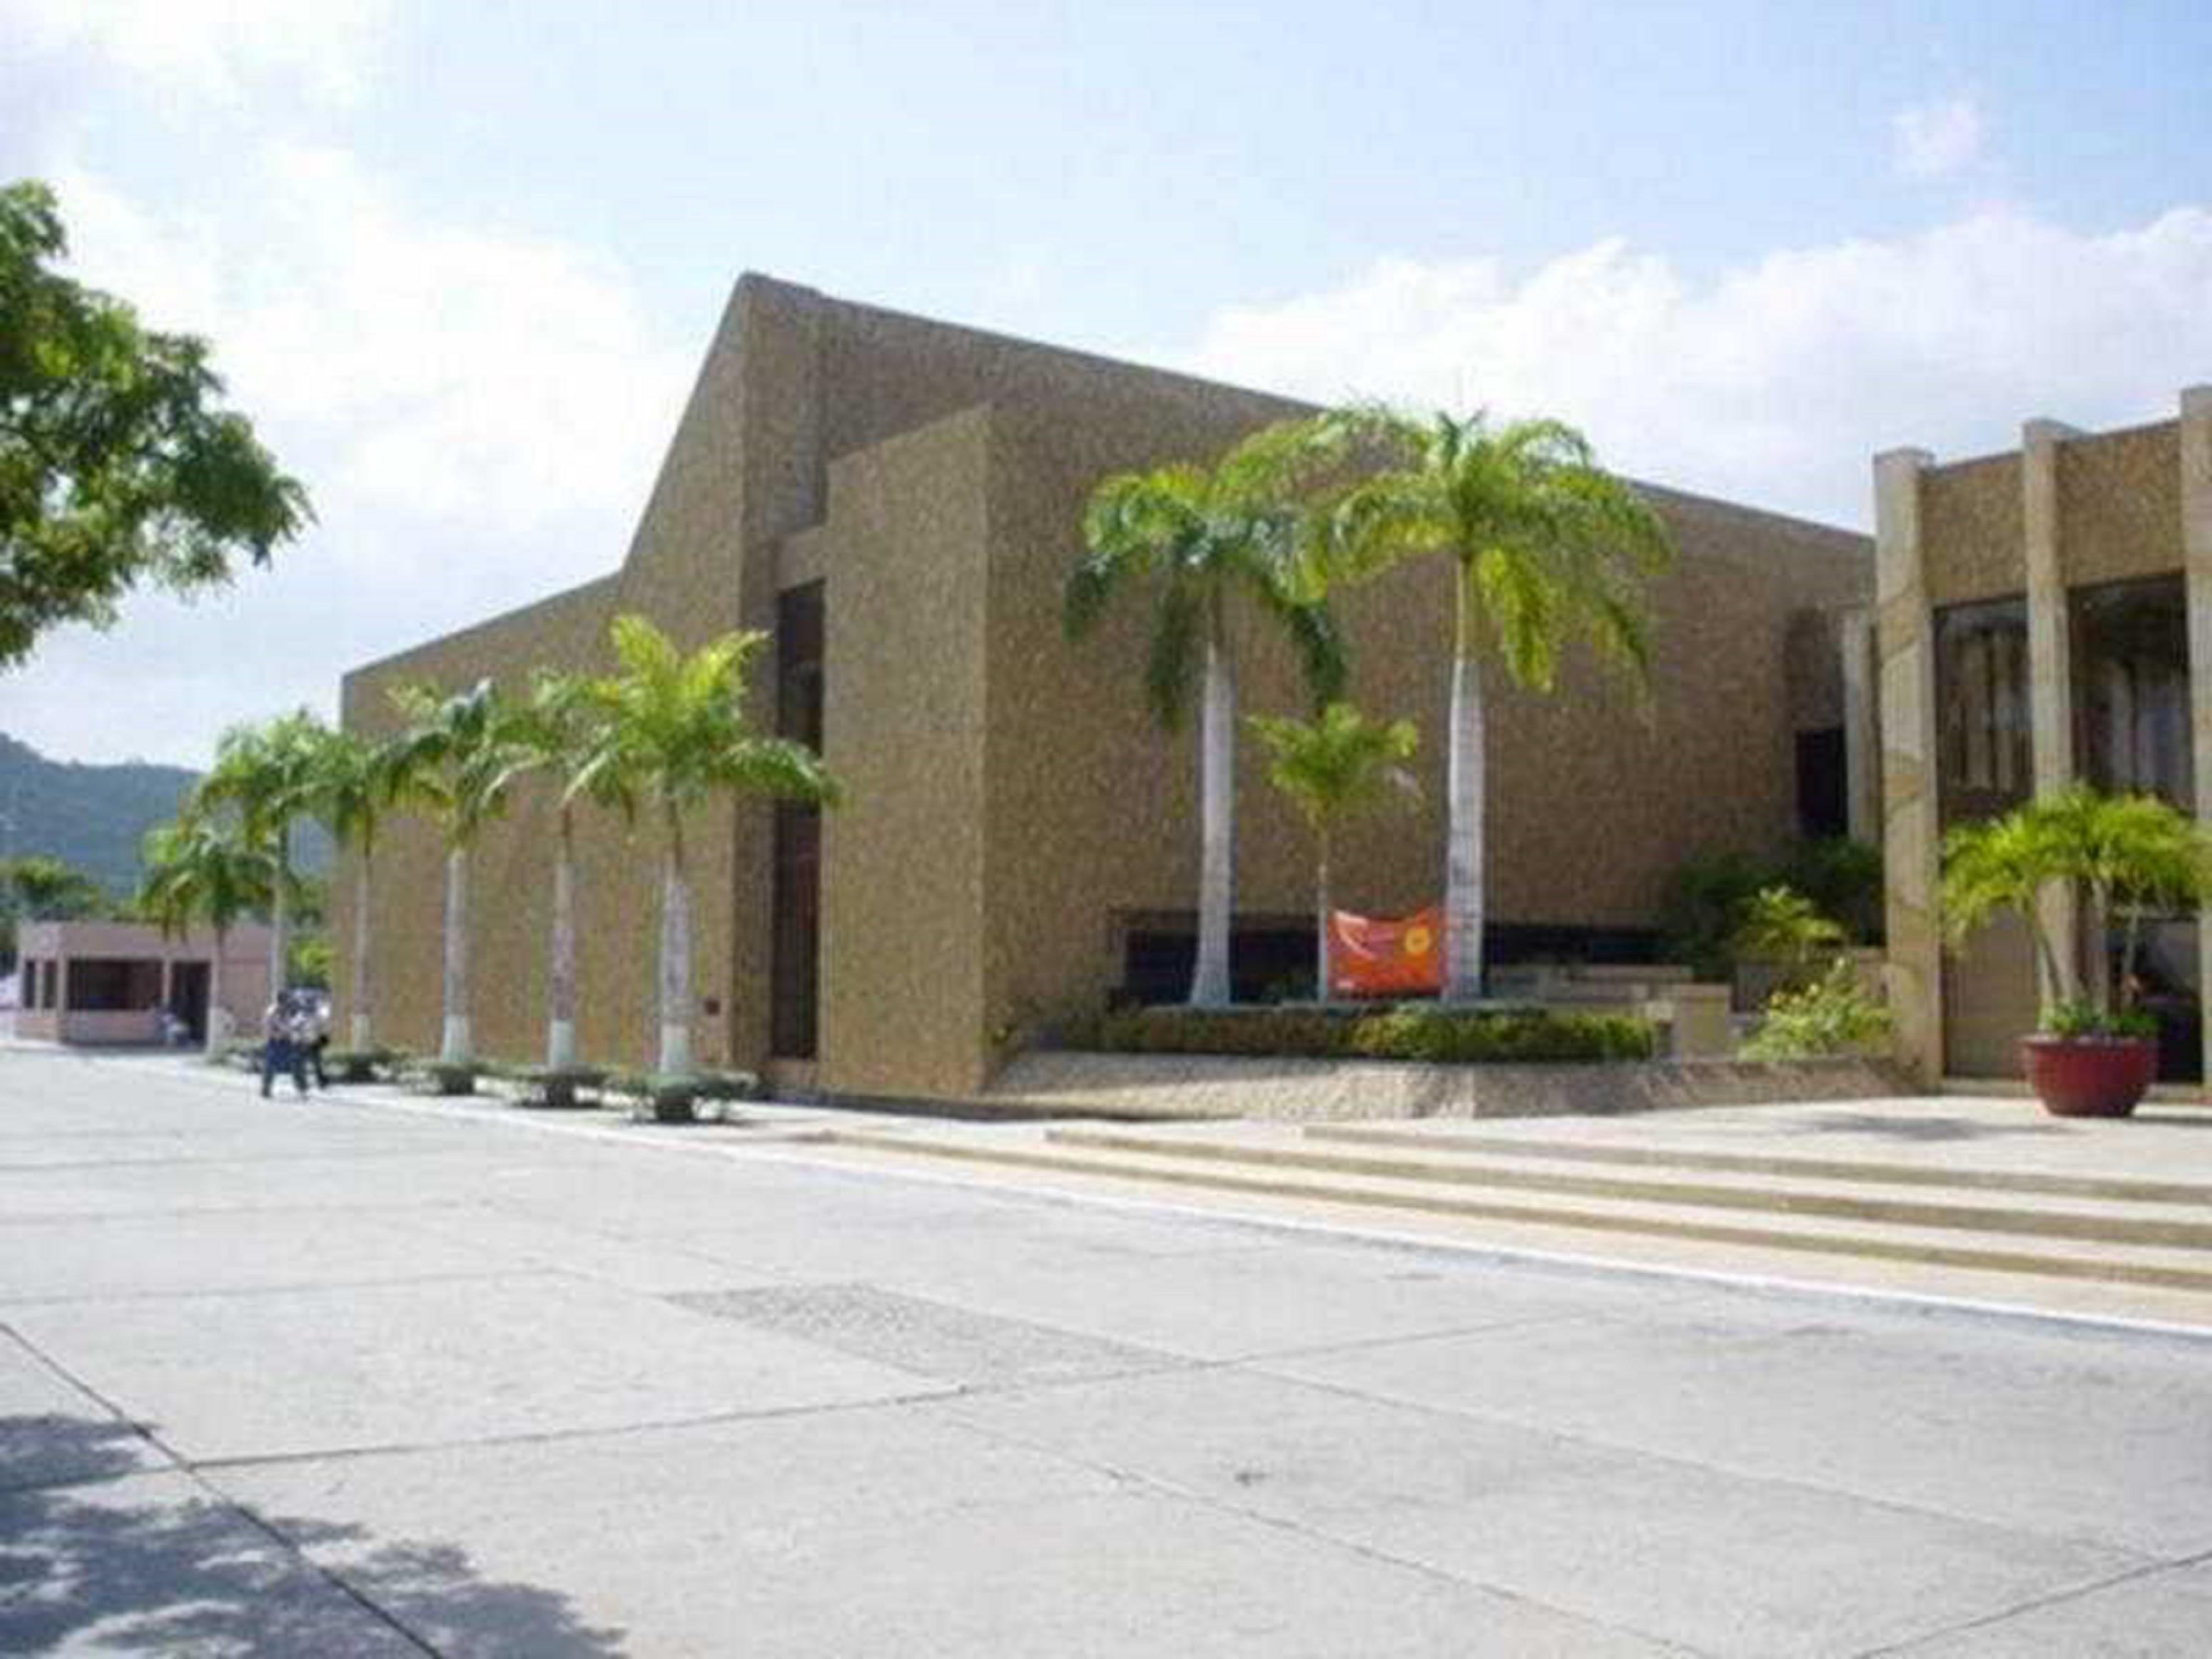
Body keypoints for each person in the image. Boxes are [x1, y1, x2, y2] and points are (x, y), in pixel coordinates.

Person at [260, 992, 308, 1099]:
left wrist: (294, 1030)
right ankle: (266, 1089)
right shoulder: (272, 1012)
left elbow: (291, 1025)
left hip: (287, 1042)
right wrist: (280, 1033)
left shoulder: (287, 1011)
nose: (288, 1003)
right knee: (270, 1066)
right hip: (275, 1042)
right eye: (287, 1001)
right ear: (281, 1001)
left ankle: (302, 1090)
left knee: (297, 1064)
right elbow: (268, 1029)